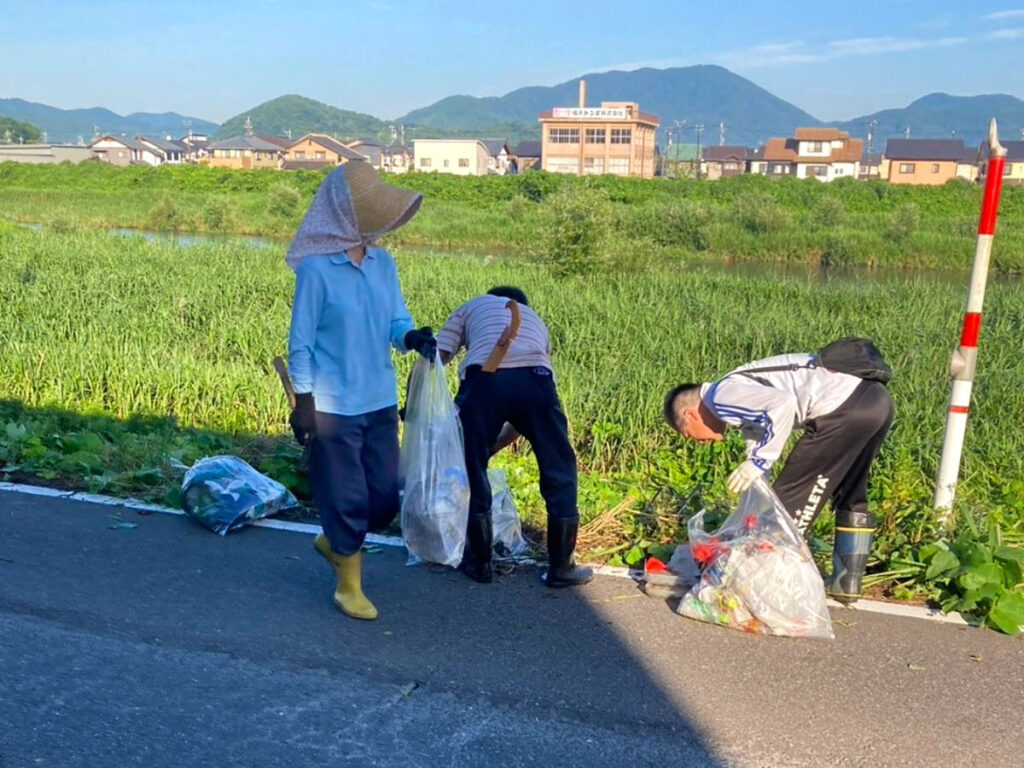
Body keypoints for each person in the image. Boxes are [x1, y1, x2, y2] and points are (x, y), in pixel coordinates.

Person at [287, 162, 436, 621]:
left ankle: (333, 539)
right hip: (333, 406)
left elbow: (396, 320)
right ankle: (348, 587)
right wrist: (305, 403)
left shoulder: (383, 263)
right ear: (342, 213)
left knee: (384, 499)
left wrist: (411, 338)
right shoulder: (316, 271)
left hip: (379, 399)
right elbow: (301, 344)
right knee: (348, 497)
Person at [663, 345, 894, 602]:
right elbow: (760, 440)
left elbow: (782, 405)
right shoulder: (736, 397)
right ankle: (846, 582)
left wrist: (759, 463)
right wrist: (756, 483)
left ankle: (769, 594)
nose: (699, 442)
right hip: (877, 402)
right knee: (850, 490)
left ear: (690, 414)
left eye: (688, 435)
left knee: (785, 507)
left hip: (843, 409)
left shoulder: (721, 395)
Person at [435, 286, 592, 588]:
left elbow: (439, 356)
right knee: (559, 465)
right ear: (523, 304)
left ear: (491, 297)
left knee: (471, 466)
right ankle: (561, 567)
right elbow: (525, 416)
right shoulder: (536, 323)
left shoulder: (472, 305)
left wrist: (417, 404)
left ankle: (478, 564)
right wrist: (495, 444)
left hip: (484, 379)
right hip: (537, 379)